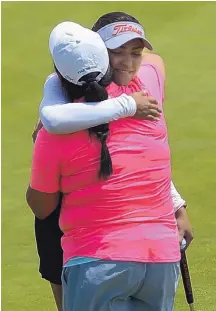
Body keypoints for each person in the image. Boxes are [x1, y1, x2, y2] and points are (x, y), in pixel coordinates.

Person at [27, 18, 192, 311]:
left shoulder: (147, 78)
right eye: (118, 51)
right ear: (98, 52)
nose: (129, 61)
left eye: (135, 51)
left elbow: (141, 159)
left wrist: (175, 200)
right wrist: (126, 106)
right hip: (155, 255)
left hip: (95, 253)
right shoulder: (144, 92)